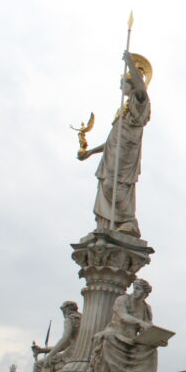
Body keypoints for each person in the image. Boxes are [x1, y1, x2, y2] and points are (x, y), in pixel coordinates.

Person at [79, 52, 152, 236]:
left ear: (132, 83)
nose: (120, 86)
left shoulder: (139, 103)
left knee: (116, 185)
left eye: (123, 83)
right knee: (106, 184)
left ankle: (128, 220)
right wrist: (90, 153)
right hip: (112, 153)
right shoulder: (123, 111)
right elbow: (112, 140)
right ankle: (110, 226)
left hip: (126, 153)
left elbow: (141, 90)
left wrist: (130, 65)